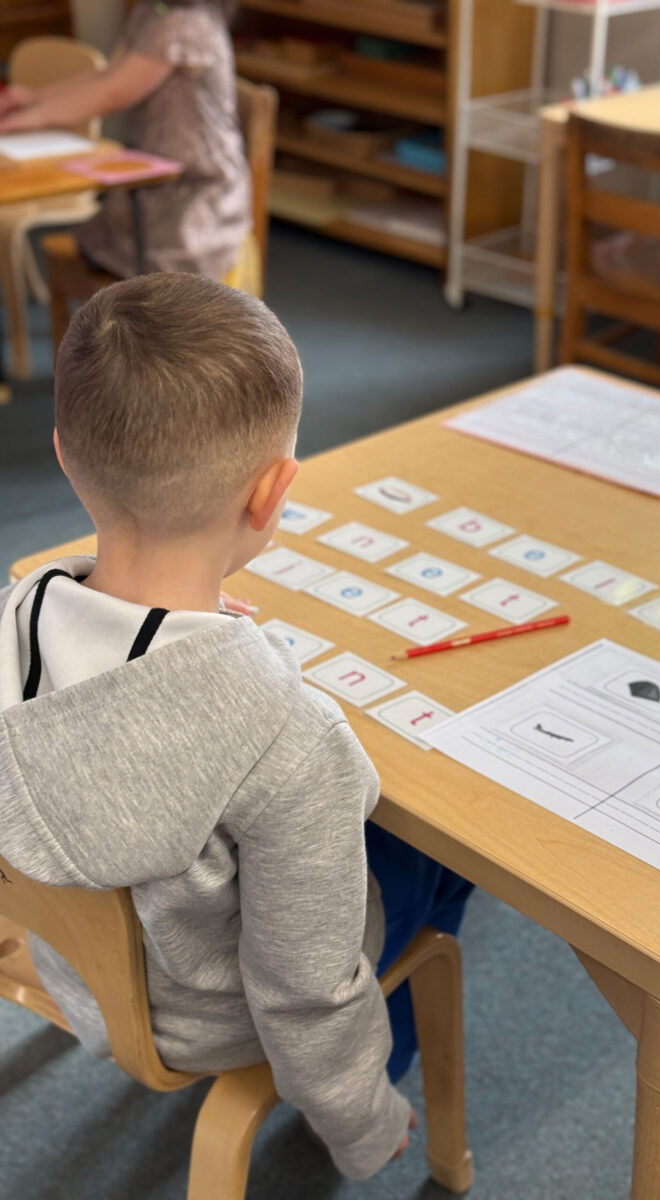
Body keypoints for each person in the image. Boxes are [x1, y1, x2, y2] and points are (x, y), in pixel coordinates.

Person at [0, 273, 472, 1178]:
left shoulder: (15, 610)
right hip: (212, 1020)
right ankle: (383, 1079)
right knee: (441, 856)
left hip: (76, 972)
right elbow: (304, 993)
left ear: (63, 454)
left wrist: (196, 621)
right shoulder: (289, 739)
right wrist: (363, 1123)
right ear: (272, 493)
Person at [0, 1, 250, 282]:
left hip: (197, 187)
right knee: (101, 241)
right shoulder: (153, 10)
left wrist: (35, 116)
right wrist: (34, 98)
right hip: (152, 179)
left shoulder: (183, 22)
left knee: (146, 276)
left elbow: (114, 93)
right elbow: (107, 76)